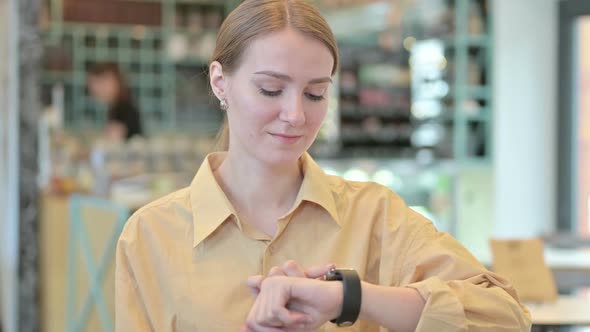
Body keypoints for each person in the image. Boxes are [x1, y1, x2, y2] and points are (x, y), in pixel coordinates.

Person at [115, 0, 531, 331]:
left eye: (315, 95)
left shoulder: (376, 216)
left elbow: (504, 317)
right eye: (271, 89)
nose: (295, 114)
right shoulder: (150, 236)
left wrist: (348, 297)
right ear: (219, 82)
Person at [87, 62, 143, 141]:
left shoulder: (125, 109)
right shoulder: (117, 107)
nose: (93, 89)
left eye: (100, 83)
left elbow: (115, 138)